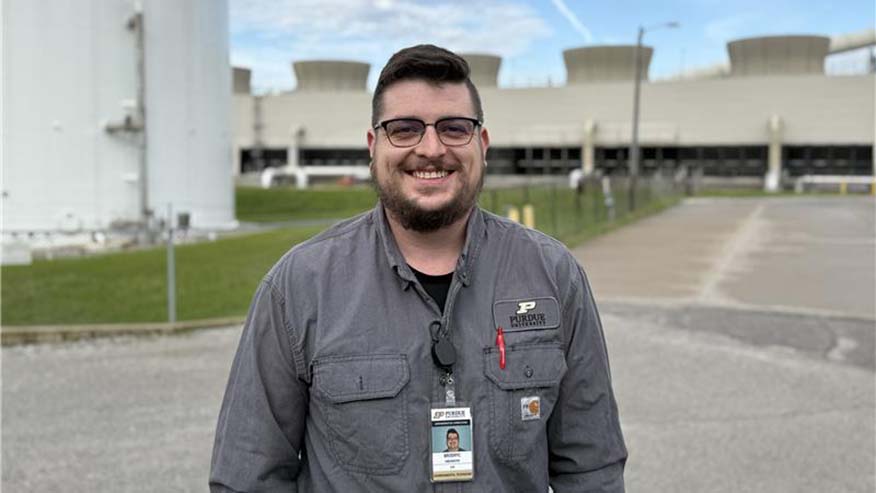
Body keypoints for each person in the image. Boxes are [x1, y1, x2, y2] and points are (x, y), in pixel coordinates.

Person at [210, 44, 627, 492]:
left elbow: (591, 469)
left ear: (481, 144)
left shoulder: (554, 277)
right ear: (374, 147)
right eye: (404, 129)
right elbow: (248, 477)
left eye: (454, 128)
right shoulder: (298, 288)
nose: (431, 149)